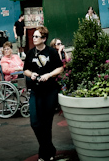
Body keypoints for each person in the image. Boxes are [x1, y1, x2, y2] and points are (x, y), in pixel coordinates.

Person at [23, 26, 64, 161]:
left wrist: (49, 75)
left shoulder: (51, 52)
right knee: (35, 122)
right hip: (35, 90)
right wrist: (32, 74)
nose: (34, 38)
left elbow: (60, 68)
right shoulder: (30, 53)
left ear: (44, 39)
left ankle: (45, 153)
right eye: (33, 36)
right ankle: (49, 148)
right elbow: (25, 70)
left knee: (46, 123)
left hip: (50, 91)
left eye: (37, 36)